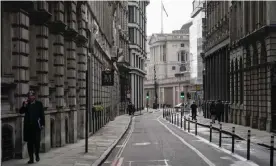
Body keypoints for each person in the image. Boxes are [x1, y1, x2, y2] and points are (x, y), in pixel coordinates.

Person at [19, 90, 45, 164]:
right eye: (29, 96)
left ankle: (37, 154)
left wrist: (42, 124)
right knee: (29, 143)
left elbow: (42, 115)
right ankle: (31, 159)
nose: (30, 97)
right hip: (28, 127)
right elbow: (21, 112)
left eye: (31, 96)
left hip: (36, 126)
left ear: (34, 96)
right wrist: (24, 105)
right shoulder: (26, 104)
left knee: (37, 143)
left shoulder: (39, 104)